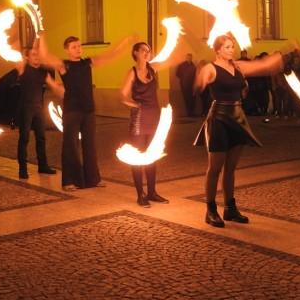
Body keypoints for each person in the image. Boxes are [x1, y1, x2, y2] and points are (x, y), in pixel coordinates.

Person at [194, 34, 294, 228]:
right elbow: (199, 85)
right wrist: (200, 79)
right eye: (228, 47)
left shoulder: (238, 66)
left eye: (233, 46)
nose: (232, 50)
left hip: (237, 117)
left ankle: (230, 208)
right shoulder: (210, 68)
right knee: (215, 168)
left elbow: (262, 66)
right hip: (219, 119)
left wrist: (281, 54)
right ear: (217, 49)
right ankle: (211, 209)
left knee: (231, 168)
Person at [42, 33, 135, 191]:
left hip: (88, 110)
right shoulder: (64, 65)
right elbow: (45, 57)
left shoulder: (88, 63)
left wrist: (125, 42)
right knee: (70, 146)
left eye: (79, 46)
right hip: (71, 110)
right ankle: (69, 181)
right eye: (74, 47)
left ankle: (93, 179)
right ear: (67, 50)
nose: (78, 49)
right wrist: (41, 37)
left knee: (90, 145)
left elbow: (110, 55)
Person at [119, 42, 170, 207]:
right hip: (139, 119)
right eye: (143, 50)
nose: (147, 53)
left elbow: (169, 57)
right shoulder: (132, 72)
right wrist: (132, 103)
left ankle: (152, 192)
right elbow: (122, 95)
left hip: (153, 117)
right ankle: (140, 194)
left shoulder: (153, 69)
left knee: (152, 156)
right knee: (138, 157)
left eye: (149, 50)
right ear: (136, 53)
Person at [14, 46, 58, 179]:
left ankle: (43, 165)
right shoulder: (23, 69)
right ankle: (22, 168)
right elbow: (18, 60)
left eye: (37, 54)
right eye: (33, 54)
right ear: (27, 57)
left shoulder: (42, 72)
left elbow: (54, 85)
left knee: (41, 137)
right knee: (24, 138)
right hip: (26, 109)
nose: (37, 56)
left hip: (38, 108)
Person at [175, 53, 197, 117]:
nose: (189, 58)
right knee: (187, 99)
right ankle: (189, 113)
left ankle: (192, 113)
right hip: (185, 85)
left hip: (192, 85)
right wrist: (184, 78)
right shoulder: (182, 65)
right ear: (186, 58)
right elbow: (177, 74)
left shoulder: (193, 65)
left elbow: (194, 75)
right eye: (188, 57)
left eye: (190, 57)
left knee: (193, 98)